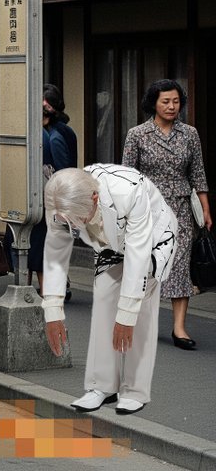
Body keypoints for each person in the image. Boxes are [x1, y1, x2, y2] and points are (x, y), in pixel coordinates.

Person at [42, 165, 178, 415]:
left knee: (139, 310)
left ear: (94, 198)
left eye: (75, 220)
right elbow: (55, 253)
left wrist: (126, 315)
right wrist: (52, 311)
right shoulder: (59, 197)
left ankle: (135, 391)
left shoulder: (129, 192)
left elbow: (137, 255)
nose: (71, 227)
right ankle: (102, 386)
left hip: (152, 239)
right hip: (109, 242)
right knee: (104, 299)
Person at [121, 79, 212, 350]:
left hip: (181, 209)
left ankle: (179, 328)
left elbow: (198, 174)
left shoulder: (190, 134)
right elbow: (127, 176)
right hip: (146, 209)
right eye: (166, 101)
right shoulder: (137, 134)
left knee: (180, 266)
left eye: (176, 101)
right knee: (146, 266)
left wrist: (205, 210)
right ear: (154, 104)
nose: (172, 106)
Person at [26, 84, 77, 292]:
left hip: (51, 195)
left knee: (43, 242)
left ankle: (50, 286)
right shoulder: (53, 132)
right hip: (49, 194)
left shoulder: (57, 135)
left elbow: (62, 169)